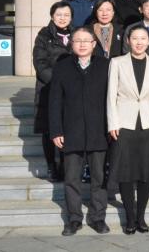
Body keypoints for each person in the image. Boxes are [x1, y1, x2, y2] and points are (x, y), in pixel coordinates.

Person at [49, 27, 110, 236]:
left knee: (99, 178)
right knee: (71, 178)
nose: (82, 44)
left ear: (94, 44)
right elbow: (55, 101)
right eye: (78, 41)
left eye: (86, 41)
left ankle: (97, 217)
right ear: (71, 44)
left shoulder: (105, 66)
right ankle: (74, 219)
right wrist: (56, 130)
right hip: (71, 131)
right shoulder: (62, 67)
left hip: (99, 131)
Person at [107, 25, 149, 235]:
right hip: (124, 123)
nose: (139, 42)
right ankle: (130, 218)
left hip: (148, 124)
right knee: (126, 172)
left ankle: (141, 217)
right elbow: (111, 94)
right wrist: (112, 123)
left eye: (143, 38)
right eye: (135, 38)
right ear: (128, 40)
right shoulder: (117, 62)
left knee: (145, 173)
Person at [33, 1, 73, 181]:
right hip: (48, 87)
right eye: (59, 15)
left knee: (68, 126)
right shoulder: (44, 35)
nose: (62, 18)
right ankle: (51, 166)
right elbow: (40, 63)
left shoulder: (76, 33)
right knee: (49, 129)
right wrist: (58, 82)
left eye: (66, 15)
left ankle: (65, 165)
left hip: (71, 89)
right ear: (52, 16)